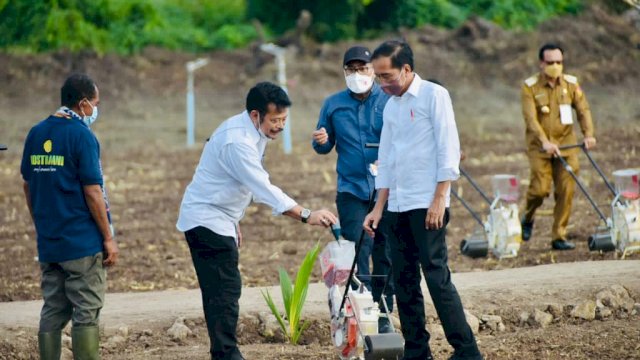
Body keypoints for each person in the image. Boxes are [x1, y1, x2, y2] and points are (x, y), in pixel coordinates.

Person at [176, 81, 337, 360]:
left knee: (220, 290)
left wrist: (234, 220)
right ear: (255, 115)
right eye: (275, 120)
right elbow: (263, 188)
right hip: (206, 218)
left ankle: (223, 351)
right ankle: (226, 353)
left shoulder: (249, 130)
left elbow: (234, 182)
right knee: (225, 290)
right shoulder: (237, 142)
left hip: (218, 217)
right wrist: (307, 215)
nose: (280, 126)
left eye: (284, 119)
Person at [364, 40, 482, 360]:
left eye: (386, 76)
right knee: (403, 280)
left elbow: (448, 148)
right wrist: (378, 208)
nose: (382, 83)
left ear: (406, 69)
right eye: (378, 77)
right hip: (397, 206)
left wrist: (439, 199)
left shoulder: (434, 95)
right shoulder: (390, 106)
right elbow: (386, 160)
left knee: (436, 277)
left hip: (427, 202)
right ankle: (417, 351)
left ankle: (467, 351)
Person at [21, 73, 119, 360]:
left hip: (50, 243)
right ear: (84, 103)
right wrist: (108, 238)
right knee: (86, 310)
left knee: (53, 308)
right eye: (95, 104)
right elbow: (92, 191)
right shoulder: (81, 136)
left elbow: (28, 185)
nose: (96, 110)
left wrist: (40, 224)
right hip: (81, 244)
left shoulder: (36, 133)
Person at [311, 45, 395, 333]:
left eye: (363, 68)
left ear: (373, 70)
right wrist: (321, 140)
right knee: (359, 246)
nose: (357, 74)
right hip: (351, 188)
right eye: (352, 69)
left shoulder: (388, 99)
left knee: (385, 248)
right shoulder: (333, 105)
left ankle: (386, 308)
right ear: (344, 72)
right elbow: (323, 145)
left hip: (386, 188)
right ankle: (364, 305)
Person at [520, 43, 596, 251]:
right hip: (540, 147)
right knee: (539, 190)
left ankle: (558, 236)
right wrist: (545, 141)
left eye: (559, 62)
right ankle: (527, 216)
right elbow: (531, 119)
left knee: (565, 190)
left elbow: (583, 110)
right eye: (551, 62)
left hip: (566, 145)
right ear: (541, 63)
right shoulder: (530, 86)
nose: (555, 66)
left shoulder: (571, 84)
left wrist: (588, 135)